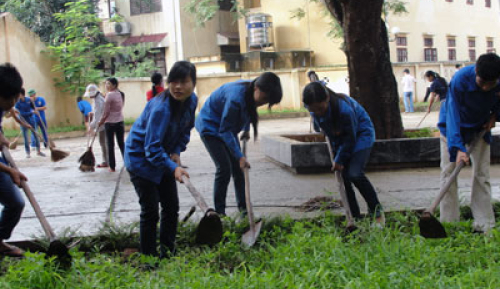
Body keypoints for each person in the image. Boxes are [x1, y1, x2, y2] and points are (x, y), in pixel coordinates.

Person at [124, 61, 197, 258]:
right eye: (173, 81)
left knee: (171, 206)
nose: (178, 87)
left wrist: (176, 151)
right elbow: (151, 148)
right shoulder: (161, 108)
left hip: (163, 157)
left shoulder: (191, 101)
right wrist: (173, 168)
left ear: (193, 83)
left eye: (184, 82)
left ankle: (168, 251)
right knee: (150, 211)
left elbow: (186, 128)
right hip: (140, 160)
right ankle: (149, 257)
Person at [195, 72, 282, 217]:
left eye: (268, 101)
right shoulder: (235, 98)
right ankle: (220, 213)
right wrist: (240, 156)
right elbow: (225, 131)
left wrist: (246, 129)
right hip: (210, 126)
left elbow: (248, 109)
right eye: (265, 98)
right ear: (256, 88)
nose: (264, 102)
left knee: (239, 170)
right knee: (224, 168)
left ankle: (244, 210)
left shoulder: (252, 90)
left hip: (226, 127)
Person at [303, 82, 385, 226]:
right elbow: (319, 126)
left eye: (320, 108)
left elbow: (350, 139)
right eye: (313, 110)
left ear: (327, 98)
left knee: (354, 173)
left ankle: (376, 210)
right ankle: (354, 217)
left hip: (360, 135)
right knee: (343, 179)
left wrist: (340, 159)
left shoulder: (344, 111)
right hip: (338, 139)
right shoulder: (313, 109)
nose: (318, 112)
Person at [438, 53, 500, 234]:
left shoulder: (497, 81)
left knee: (482, 174)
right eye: (482, 83)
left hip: (479, 129)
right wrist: (457, 147)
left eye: (491, 84)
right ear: (475, 72)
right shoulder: (460, 80)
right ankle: (449, 223)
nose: (486, 87)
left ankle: (484, 224)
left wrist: (495, 115)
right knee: (449, 173)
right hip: (452, 129)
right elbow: (452, 115)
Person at [0, 63, 27, 257]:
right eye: (9, 98)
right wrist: (10, 170)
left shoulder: (3, 105)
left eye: (15, 97)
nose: (13, 102)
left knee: (15, 203)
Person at [99, 77, 125, 172]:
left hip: (110, 123)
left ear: (114, 85)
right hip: (120, 122)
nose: (106, 86)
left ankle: (112, 167)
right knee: (121, 144)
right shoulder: (120, 94)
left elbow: (106, 112)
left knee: (110, 145)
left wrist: (101, 121)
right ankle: (128, 162)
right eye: (106, 84)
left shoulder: (109, 95)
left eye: (108, 84)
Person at [15, 89, 44, 158]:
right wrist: (32, 112)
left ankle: (38, 151)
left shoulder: (28, 100)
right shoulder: (17, 103)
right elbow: (21, 113)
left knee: (36, 135)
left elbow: (33, 107)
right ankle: (27, 153)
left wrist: (35, 110)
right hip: (23, 121)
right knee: (25, 137)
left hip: (31, 120)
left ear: (22, 94)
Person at [84, 84, 108, 168]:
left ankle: (106, 161)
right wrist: (92, 113)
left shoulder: (98, 100)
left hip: (102, 124)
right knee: (103, 143)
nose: (89, 97)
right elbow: (96, 111)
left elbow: (98, 117)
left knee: (103, 143)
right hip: (100, 123)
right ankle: (106, 160)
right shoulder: (96, 98)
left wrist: (91, 126)